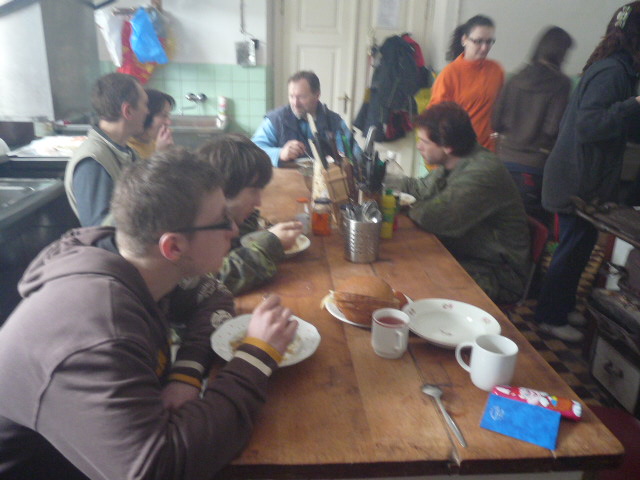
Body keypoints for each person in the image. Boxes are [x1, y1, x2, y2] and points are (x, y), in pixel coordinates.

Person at [0, 148, 297, 479]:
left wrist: (186, 373)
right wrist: (256, 356)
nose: (234, 229)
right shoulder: (97, 333)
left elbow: (214, 296)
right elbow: (159, 467)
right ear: (173, 247)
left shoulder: (139, 266)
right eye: (221, 220)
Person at [535, 2, 640, 342]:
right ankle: (549, 317)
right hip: (576, 180)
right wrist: (634, 105)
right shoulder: (613, 72)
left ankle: (562, 307)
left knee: (579, 248)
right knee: (571, 250)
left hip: (582, 180)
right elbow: (590, 125)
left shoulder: (618, 70)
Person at [401, 102, 530, 305]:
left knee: (411, 280)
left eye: (424, 141)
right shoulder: (455, 160)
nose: (419, 146)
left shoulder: (483, 171)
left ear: (447, 146)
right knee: (407, 267)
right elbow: (419, 188)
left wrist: (408, 206)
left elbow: (434, 217)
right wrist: (382, 179)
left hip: (496, 273)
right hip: (464, 253)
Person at [198, 134, 303, 294]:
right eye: (254, 191)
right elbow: (215, 279)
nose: (259, 202)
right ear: (224, 191)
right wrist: (270, 244)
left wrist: (248, 221)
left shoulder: (217, 218)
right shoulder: (195, 231)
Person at [492, 26, 574, 227]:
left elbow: (495, 122)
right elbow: (553, 129)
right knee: (533, 229)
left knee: (500, 223)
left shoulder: (516, 77)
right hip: (535, 166)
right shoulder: (561, 84)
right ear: (561, 53)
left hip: (504, 161)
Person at [64, 72, 148, 227]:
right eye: (144, 104)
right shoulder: (93, 162)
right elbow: (99, 231)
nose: (147, 111)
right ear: (128, 111)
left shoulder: (125, 152)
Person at [251, 70, 360, 167]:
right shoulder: (276, 119)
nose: (295, 103)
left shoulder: (334, 121)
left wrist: (343, 157)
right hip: (285, 180)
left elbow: (355, 154)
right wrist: (280, 153)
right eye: (291, 96)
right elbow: (253, 151)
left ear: (317, 95)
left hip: (325, 180)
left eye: (302, 97)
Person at [429, 15, 504, 151]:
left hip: (487, 150)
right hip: (458, 150)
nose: (484, 48)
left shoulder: (496, 70)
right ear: (464, 40)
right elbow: (435, 118)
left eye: (489, 42)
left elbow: (502, 108)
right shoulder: (449, 74)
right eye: (478, 41)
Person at [128, 88, 175, 159]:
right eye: (163, 115)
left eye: (168, 115)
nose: (168, 122)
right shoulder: (129, 149)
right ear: (145, 115)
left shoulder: (154, 141)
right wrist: (160, 153)